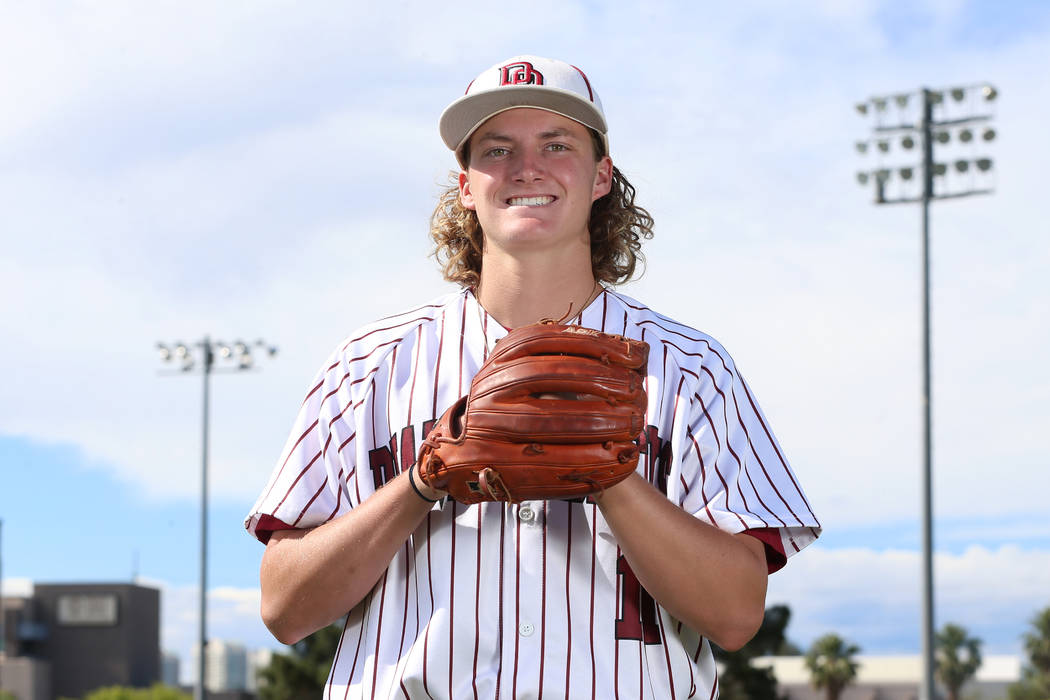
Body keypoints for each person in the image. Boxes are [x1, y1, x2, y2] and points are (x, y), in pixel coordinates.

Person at [245, 54, 821, 699]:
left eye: (557, 144)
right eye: (496, 149)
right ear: (466, 184)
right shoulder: (369, 365)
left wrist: (613, 478)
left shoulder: (690, 368)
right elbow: (285, 608)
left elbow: (736, 614)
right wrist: (420, 482)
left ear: (602, 176)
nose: (526, 168)